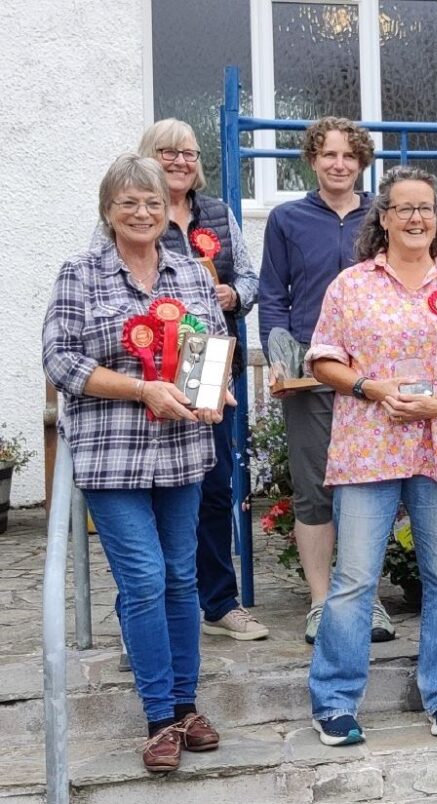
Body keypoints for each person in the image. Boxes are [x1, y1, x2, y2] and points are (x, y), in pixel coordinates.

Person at [43, 154, 230, 772]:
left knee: (181, 578)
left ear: (166, 210)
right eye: (129, 203)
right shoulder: (79, 274)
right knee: (145, 579)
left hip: (182, 451)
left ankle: (186, 706)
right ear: (108, 211)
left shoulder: (190, 272)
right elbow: (61, 361)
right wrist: (141, 389)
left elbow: (211, 348)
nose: (143, 213)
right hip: (111, 454)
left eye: (152, 202)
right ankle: (158, 719)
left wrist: (215, 391)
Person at [305, 166, 437, 745]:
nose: (416, 218)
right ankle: (335, 701)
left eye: (425, 208)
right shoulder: (351, 285)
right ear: (383, 217)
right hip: (369, 445)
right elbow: (323, 358)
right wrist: (370, 388)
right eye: (404, 208)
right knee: (353, 579)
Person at [258, 117, 395, 645]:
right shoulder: (287, 219)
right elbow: (274, 295)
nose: (339, 164)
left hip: (374, 377)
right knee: (315, 488)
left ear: (362, 162)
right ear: (313, 159)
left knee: (371, 486)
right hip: (311, 375)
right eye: (329, 154)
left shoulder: (382, 216)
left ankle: (366, 598)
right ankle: (321, 603)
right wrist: (279, 356)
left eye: (349, 155)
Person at [137, 118, 267, 640]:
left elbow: (250, 277)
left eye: (189, 153)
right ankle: (156, 605)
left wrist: (236, 295)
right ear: (148, 157)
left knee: (214, 487)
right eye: (168, 152)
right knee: (153, 492)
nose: (180, 162)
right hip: (149, 372)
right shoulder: (136, 211)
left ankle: (218, 602)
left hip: (208, 365)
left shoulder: (217, 214)